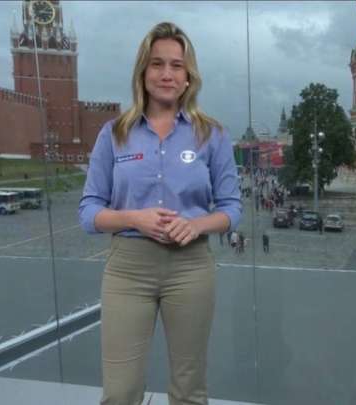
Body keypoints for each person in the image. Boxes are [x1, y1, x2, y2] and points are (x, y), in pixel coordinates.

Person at [77, 22, 242, 405]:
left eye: (176, 66)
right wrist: (135, 218)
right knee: (120, 392)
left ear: (188, 78)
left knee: (188, 390)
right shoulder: (114, 133)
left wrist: (197, 223)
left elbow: (232, 208)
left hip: (191, 268)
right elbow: (89, 212)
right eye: (157, 64)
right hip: (127, 270)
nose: (166, 74)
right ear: (143, 72)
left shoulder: (212, 135)